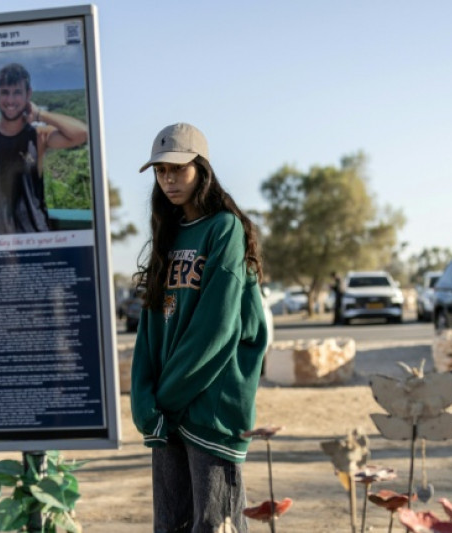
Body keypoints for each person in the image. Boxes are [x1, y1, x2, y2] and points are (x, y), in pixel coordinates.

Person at [130, 122, 269, 533]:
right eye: (161, 171)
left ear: (201, 170)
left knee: (215, 524)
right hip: (168, 407)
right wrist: (143, 399)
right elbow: (152, 325)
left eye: (178, 169)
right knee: (171, 524)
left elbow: (218, 327)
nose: (169, 179)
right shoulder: (168, 235)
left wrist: (165, 397)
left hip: (210, 405)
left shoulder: (224, 229)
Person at [0, 63, 88, 236]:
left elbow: (82, 133)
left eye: (17, 92)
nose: (10, 100)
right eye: (5, 92)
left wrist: (40, 115)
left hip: (35, 240)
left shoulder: (38, 136)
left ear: (28, 94)